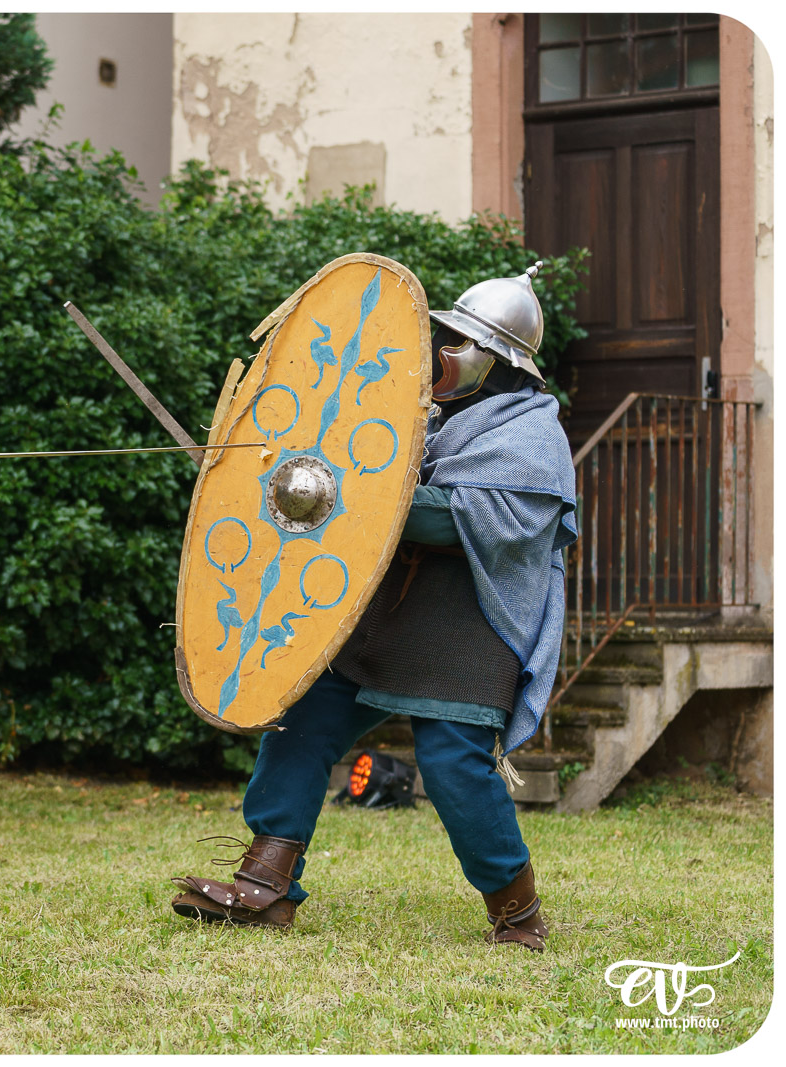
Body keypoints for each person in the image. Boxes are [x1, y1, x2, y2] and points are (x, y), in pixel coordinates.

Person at [170, 264, 576, 952]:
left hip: (470, 623)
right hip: (384, 612)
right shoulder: (423, 417)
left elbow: (457, 520)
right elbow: (350, 472)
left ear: (497, 360)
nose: (441, 350)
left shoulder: (533, 436)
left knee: (452, 765)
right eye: (442, 334)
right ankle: (266, 882)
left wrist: (342, 488)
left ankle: (517, 913)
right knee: (303, 719)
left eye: (457, 340)